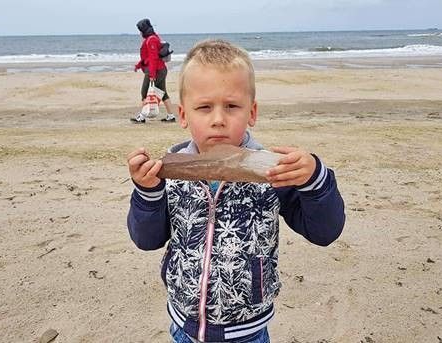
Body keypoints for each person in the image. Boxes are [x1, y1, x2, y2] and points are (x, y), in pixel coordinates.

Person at [126, 40, 345, 342]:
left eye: (231, 106)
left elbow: (325, 231)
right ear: (183, 115)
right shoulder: (171, 172)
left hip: (248, 331)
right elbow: (147, 239)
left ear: (252, 112)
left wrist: (314, 180)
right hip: (183, 326)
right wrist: (147, 192)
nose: (218, 119)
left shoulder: (271, 172)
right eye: (204, 107)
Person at [131, 18, 176, 123]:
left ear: (144, 30)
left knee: (144, 92)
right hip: (160, 69)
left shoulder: (151, 40)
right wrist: (138, 66)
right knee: (163, 93)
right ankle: (171, 116)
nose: (139, 33)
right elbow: (147, 58)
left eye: (140, 30)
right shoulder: (153, 38)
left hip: (156, 71)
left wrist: (152, 74)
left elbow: (153, 58)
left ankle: (141, 117)